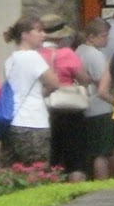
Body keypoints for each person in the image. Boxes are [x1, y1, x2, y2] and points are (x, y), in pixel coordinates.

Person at [39, 15, 91, 182]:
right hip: (71, 110)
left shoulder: (36, 54)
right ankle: (77, 191)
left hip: (44, 110)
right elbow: (84, 79)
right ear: (60, 36)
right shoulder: (67, 53)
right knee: (75, 159)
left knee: (51, 158)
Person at [2, 16, 58, 166]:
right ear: (25, 35)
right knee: (37, 170)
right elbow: (54, 83)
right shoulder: (33, 57)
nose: (43, 35)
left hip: (13, 122)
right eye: (38, 31)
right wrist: (42, 94)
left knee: (14, 171)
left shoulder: (10, 60)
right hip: (33, 122)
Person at [77, 18, 114, 180]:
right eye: (103, 36)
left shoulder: (79, 50)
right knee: (102, 152)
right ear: (91, 36)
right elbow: (103, 84)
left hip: (86, 106)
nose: (107, 39)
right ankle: (104, 183)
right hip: (100, 108)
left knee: (96, 150)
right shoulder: (95, 55)